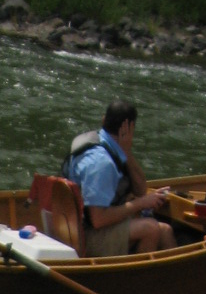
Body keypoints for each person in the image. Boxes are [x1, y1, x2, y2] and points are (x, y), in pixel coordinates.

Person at [64, 99, 177, 256]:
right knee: (150, 228)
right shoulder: (102, 163)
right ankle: (137, 279)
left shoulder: (105, 144)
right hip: (86, 237)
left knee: (165, 230)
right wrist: (140, 204)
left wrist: (127, 152)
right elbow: (98, 220)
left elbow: (140, 189)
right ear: (131, 128)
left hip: (83, 229)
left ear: (104, 120)